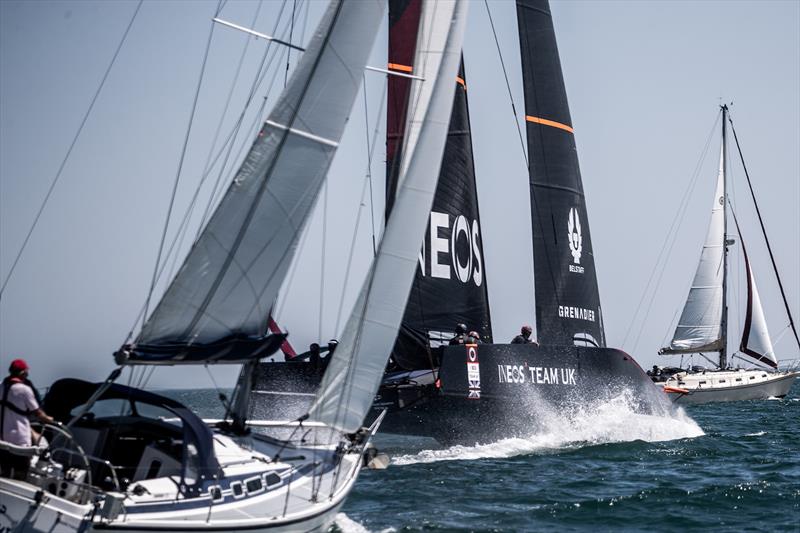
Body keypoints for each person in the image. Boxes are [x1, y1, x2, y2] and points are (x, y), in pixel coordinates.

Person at [1, 359, 55, 480]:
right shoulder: (24, 390)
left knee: (4, 473)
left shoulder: (1, 386)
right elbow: (38, 413)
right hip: (19, 440)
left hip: (2, 439)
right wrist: (50, 420)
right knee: (20, 473)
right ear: (22, 373)